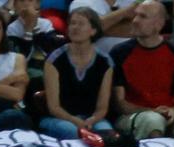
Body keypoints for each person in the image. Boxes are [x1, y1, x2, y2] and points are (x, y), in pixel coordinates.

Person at [111, 1, 174, 141]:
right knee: (153, 121)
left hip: (168, 112)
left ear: (159, 24)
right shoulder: (119, 53)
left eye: (142, 16)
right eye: (135, 15)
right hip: (132, 116)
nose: (135, 20)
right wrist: (152, 111)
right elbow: (120, 104)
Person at [39, 7, 116, 139]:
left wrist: (91, 121)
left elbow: (102, 107)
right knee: (74, 132)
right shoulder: (54, 60)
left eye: (81, 24)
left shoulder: (105, 62)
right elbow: (54, 107)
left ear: (93, 30)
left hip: (92, 119)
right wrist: (77, 122)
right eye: (72, 23)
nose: (75, 27)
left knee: (107, 135)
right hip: (60, 119)